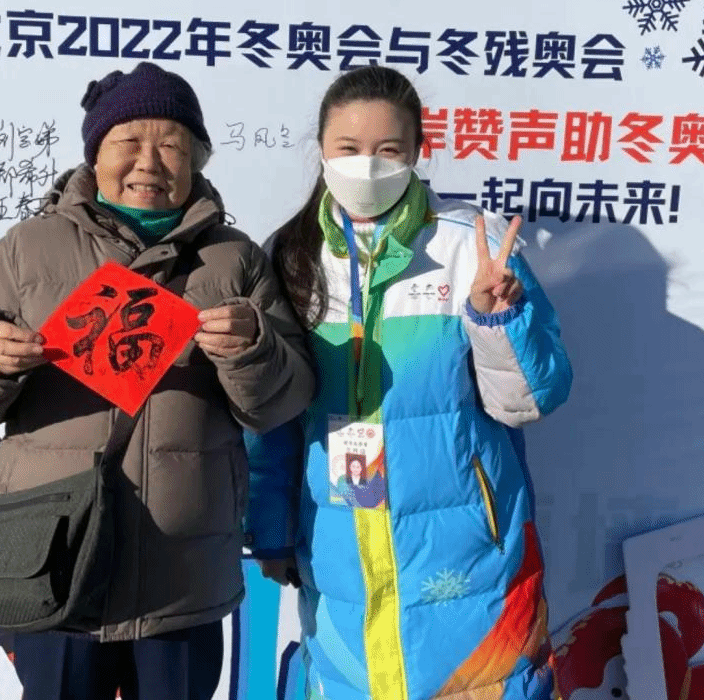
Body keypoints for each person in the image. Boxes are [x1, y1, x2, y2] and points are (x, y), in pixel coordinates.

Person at [0, 61, 315, 700]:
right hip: (51, 562)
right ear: (95, 154)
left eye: (172, 146)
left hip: (182, 575)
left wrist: (253, 349)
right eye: (128, 142)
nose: (148, 163)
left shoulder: (234, 258)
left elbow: (285, 401)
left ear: (197, 161)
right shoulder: (27, 249)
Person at [244, 66, 573, 700]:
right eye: (348, 148)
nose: (367, 166)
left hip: (469, 542)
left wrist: (495, 319)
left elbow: (530, 399)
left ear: (418, 152)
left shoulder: (471, 247)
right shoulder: (292, 255)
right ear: (322, 151)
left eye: (388, 149)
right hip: (339, 541)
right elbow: (272, 413)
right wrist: (271, 527)